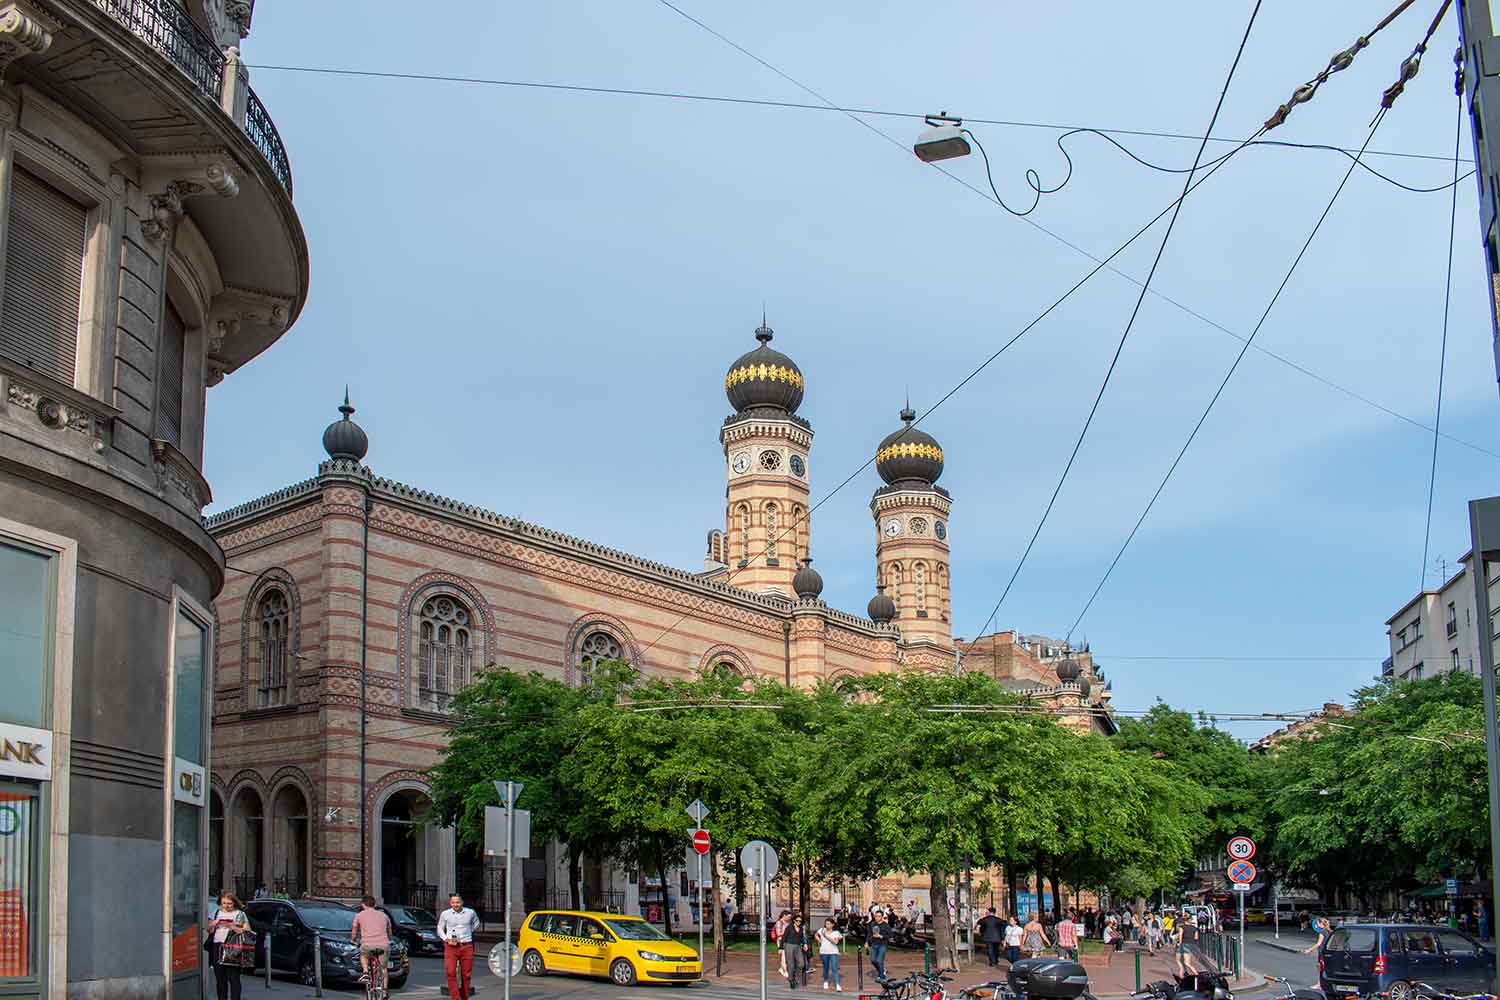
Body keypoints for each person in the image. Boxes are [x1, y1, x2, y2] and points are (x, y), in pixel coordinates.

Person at [437, 893, 481, 1000]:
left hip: (466, 945)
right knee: (450, 972)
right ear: (450, 903)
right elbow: (439, 928)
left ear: (462, 902)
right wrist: (446, 939)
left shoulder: (470, 913)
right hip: (451, 946)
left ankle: (465, 997)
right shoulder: (445, 914)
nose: (455, 904)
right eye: (453, 902)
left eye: (457, 902)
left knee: (466, 974)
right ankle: (455, 998)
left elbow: (477, 923)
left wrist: (470, 931)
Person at [209, 891, 250, 1000]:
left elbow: (247, 931)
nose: (226, 906)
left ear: (234, 903)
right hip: (218, 946)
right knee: (220, 978)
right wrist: (213, 924)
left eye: (229, 903)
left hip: (233, 947)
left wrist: (233, 927)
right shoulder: (216, 912)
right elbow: (209, 929)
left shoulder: (240, 914)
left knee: (233, 977)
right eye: (224, 903)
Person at [351, 895, 393, 988]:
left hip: (367, 945)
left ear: (363, 904)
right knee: (384, 968)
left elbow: (354, 929)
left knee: (363, 956)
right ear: (375, 904)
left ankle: (366, 972)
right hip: (383, 945)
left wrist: (353, 940)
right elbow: (389, 930)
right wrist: (390, 939)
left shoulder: (359, 915)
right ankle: (385, 991)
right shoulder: (384, 915)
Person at [816, 917, 843, 991]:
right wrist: (820, 940)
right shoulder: (821, 930)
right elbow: (816, 935)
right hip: (824, 952)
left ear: (832, 925)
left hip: (833, 952)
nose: (826, 925)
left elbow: (835, 942)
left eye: (828, 924)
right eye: (826, 924)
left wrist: (826, 936)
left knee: (834, 968)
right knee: (826, 967)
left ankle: (837, 984)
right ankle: (825, 981)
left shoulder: (836, 933)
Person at [782, 913, 808, 989]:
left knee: (801, 964)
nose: (798, 922)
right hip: (789, 945)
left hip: (798, 946)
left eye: (800, 921)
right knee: (790, 964)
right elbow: (784, 937)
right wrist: (780, 947)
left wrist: (804, 944)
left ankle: (793, 974)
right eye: (797, 921)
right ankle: (791, 980)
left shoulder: (801, 928)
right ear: (794, 921)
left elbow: (802, 938)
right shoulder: (789, 928)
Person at [867, 908, 891, 980]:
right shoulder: (872, 924)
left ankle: (882, 976)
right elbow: (869, 933)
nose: (877, 918)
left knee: (879, 960)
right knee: (873, 960)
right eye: (876, 916)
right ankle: (881, 970)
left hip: (882, 945)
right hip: (873, 944)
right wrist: (867, 942)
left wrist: (882, 936)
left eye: (879, 916)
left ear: (882, 917)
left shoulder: (885, 925)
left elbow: (890, 935)